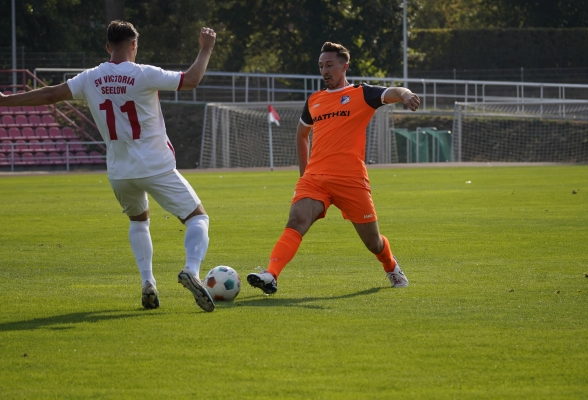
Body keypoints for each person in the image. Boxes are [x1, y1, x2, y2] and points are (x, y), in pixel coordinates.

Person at [0, 21, 217, 312]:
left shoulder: (90, 78)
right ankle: (191, 270)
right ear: (134, 45)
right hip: (156, 165)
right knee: (197, 218)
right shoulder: (143, 73)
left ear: (107, 47)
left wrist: (6, 101)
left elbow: (50, 95)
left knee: (139, 221)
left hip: (120, 172)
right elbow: (191, 79)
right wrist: (205, 50)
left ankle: (148, 282)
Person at [247, 42, 421, 295]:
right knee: (296, 220)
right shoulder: (314, 100)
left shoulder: (362, 94)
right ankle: (270, 274)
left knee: (373, 243)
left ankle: (391, 266)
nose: (324, 70)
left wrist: (405, 95)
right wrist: (304, 174)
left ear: (344, 66)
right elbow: (301, 135)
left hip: (351, 180)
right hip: (315, 179)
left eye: (329, 65)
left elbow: (393, 91)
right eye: (321, 66)